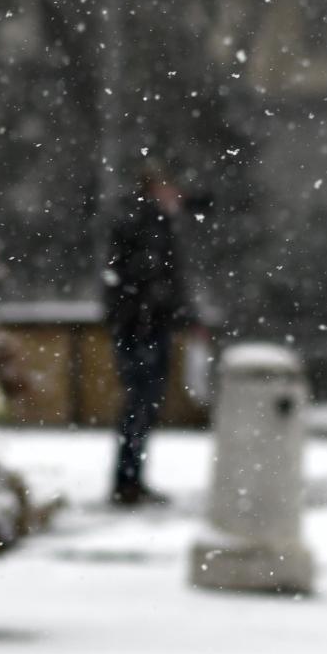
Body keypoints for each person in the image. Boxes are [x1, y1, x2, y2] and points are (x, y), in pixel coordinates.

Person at [102, 164, 187, 506]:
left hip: (139, 324)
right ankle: (128, 481)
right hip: (143, 326)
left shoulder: (142, 221)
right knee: (140, 405)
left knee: (139, 405)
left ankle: (130, 478)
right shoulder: (149, 224)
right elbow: (150, 277)